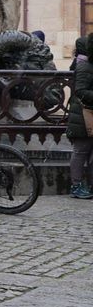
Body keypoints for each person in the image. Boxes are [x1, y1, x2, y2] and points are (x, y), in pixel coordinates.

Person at [68, 34, 93, 200]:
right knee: (81, 151)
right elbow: (80, 91)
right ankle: (76, 185)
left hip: (88, 113)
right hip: (83, 115)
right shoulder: (84, 67)